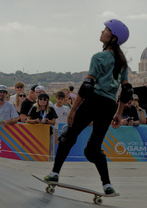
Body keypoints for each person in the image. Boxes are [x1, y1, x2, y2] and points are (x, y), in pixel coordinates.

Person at [45, 19, 133, 195]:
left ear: (113, 38)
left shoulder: (98, 57)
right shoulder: (122, 63)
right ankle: (107, 185)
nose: (101, 32)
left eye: (105, 30)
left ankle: (55, 174)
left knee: (68, 136)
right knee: (93, 149)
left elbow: (87, 87)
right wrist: (118, 112)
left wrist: (73, 109)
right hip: (109, 105)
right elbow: (127, 91)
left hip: (93, 101)